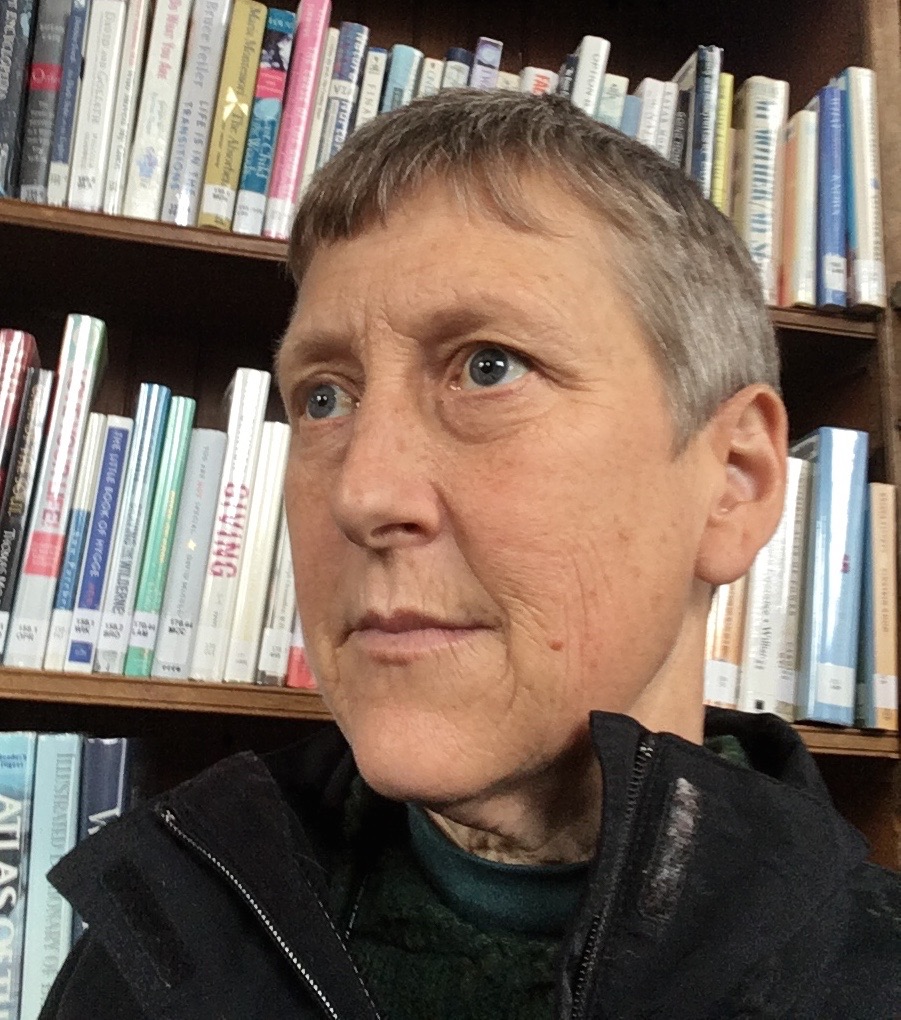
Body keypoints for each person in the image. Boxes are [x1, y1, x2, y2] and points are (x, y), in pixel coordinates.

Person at [41, 91, 899, 1020]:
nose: (362, 494)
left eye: (489, 366)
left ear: (732, 481)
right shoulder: (146, 956)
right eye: (324, 398)